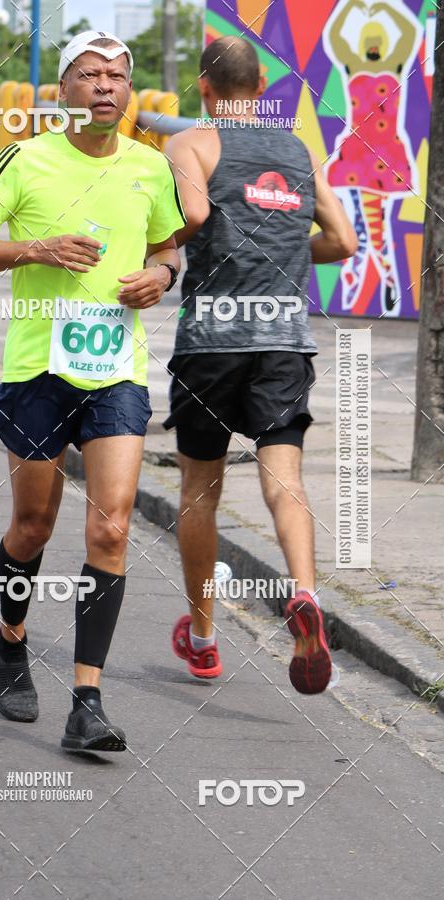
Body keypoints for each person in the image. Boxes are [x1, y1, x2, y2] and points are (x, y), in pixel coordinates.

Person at [0, 31, 185, 750]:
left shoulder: (151, 167)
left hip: (116, 371)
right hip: (37, 371)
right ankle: (11, 642)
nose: (106, 86)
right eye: (90, 74)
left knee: (111, 526)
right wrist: (34, 248)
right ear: (64, 90)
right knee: (33, 528)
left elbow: (170, 246)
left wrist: (163, 276)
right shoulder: (25, 159)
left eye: (117, 76)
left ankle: (88, 700)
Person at [164, 36, 357, 694]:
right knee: (285, 481)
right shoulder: (299, 150)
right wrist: (282, 249)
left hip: (212, 341)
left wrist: (149, 243)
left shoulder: (192, 142)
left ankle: (205, 638)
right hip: (284, 339)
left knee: (199, 492)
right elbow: (343, 241)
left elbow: (191, 213)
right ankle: (304, 593)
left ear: (206, 89)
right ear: (264, 87)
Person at [325, 0, 420, 314]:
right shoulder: (355, 67)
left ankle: (369, 278)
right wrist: (351, 5)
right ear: (364, 45)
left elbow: (408, 35)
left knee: (369, 226)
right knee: (367, 224)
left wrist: (384, 7)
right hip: (357, 153)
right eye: (370, 41)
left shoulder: (393, 67)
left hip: (384, 154)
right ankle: (382, 280)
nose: (375, 45)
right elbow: (337, 38)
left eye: (379, 40)